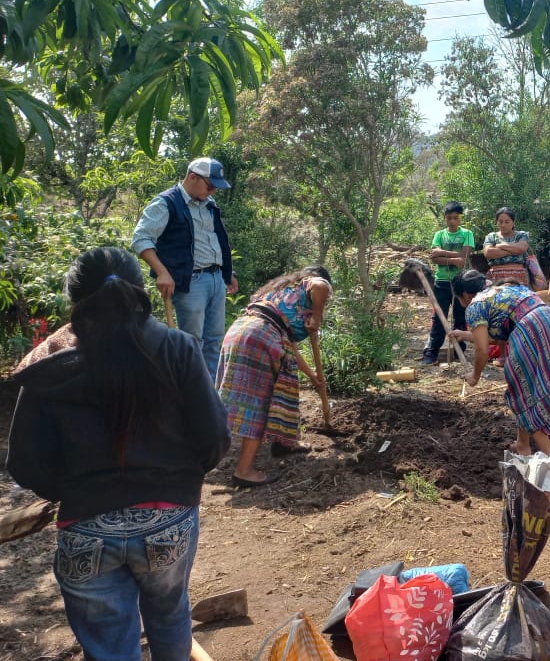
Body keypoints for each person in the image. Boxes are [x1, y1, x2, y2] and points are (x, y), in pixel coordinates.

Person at [6, 247, 230, 661]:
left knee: (110, 648)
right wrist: (179, 479)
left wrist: (74, 492)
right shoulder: (178, 347)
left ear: (75, 299)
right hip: (171, 518)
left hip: (85, 526)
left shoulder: (48, 363)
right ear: (140, 290)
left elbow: (23, 462)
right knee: (169, 615)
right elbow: (215, 437)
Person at [216, 266, 333, 486]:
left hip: (242, 331)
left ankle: (284, 442)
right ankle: (244, 471)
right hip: (260, 337)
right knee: (259, 401)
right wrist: (316, 317)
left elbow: (291, 348)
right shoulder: (313, 284)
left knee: (244, 393)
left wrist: (313, 377)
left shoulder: (281, 292)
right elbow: (320, 285)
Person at [448, 270, 550, 457]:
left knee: (526, 394)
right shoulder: (503, 288)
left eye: (461, 300)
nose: (463, 304)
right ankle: (522, 444)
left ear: (465, 295)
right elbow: (495, 337)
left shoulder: (475, 304)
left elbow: (482, 350)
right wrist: (465, 335)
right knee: (529, 389)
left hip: (529, 330)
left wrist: (474, 377)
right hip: (549, 321)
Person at [131, 157, 238, 378]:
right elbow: (141, 239)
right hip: (191, 282)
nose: (212, 192)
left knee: (215, 340)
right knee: (192, 341)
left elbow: (215, 239)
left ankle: (210, 396)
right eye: (210, 186)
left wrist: (228, 272)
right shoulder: (166, 202)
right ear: (192, 177)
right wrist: (161, 272)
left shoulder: (209, 205)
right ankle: (192, 394)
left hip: (216, 278)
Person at [421, 201, 475, 366]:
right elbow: (434, 258)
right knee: (439, 317)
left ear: (460, 218)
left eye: (455, 218)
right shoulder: (439, 235)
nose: (452, 221)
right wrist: (453, 258)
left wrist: (442, 253)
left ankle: (459, 351)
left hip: (459, 283)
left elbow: (463, 258)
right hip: (442, 282)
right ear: (445, 218)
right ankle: (431, 353)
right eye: (449, 218)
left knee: (460, 318)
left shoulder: (467, 234)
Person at [481, 207, 533, 286]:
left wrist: (500, 246)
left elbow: (521, 248)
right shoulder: (491, 236)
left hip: (519, 278)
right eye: (500, 222)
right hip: (496, 278)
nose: (503, 225)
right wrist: (514, 250)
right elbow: (488, 252)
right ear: (496, 222)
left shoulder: (521, 235)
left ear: (513, 222)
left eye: (507, 222)